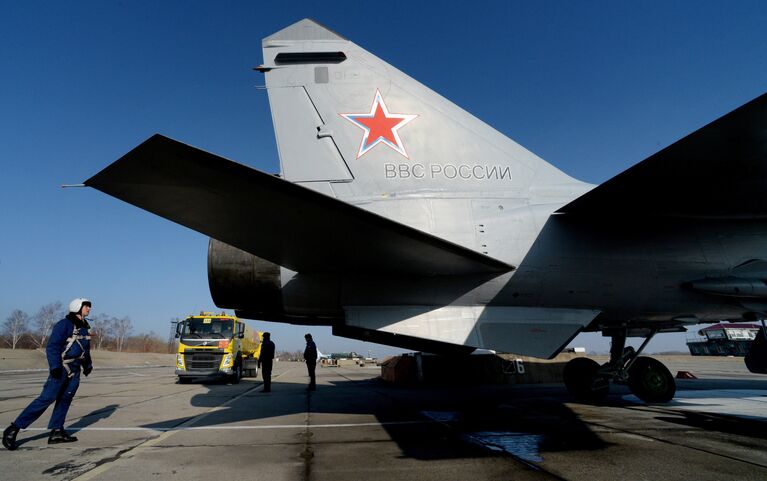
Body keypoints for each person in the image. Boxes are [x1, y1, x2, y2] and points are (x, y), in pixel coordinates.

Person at [3, 298, 94, 450]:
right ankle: (14, 429)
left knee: (65, 400)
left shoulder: (84, 327)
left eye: (89, 307)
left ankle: (57, 431)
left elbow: (85, 349)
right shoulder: (64, 325)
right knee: (46, 399)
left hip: (75, 369)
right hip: (62, 368)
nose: (89, 309)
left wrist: (88, 365)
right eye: (86, 306)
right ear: (78, 307)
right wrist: (55, 367)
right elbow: (52, 347)